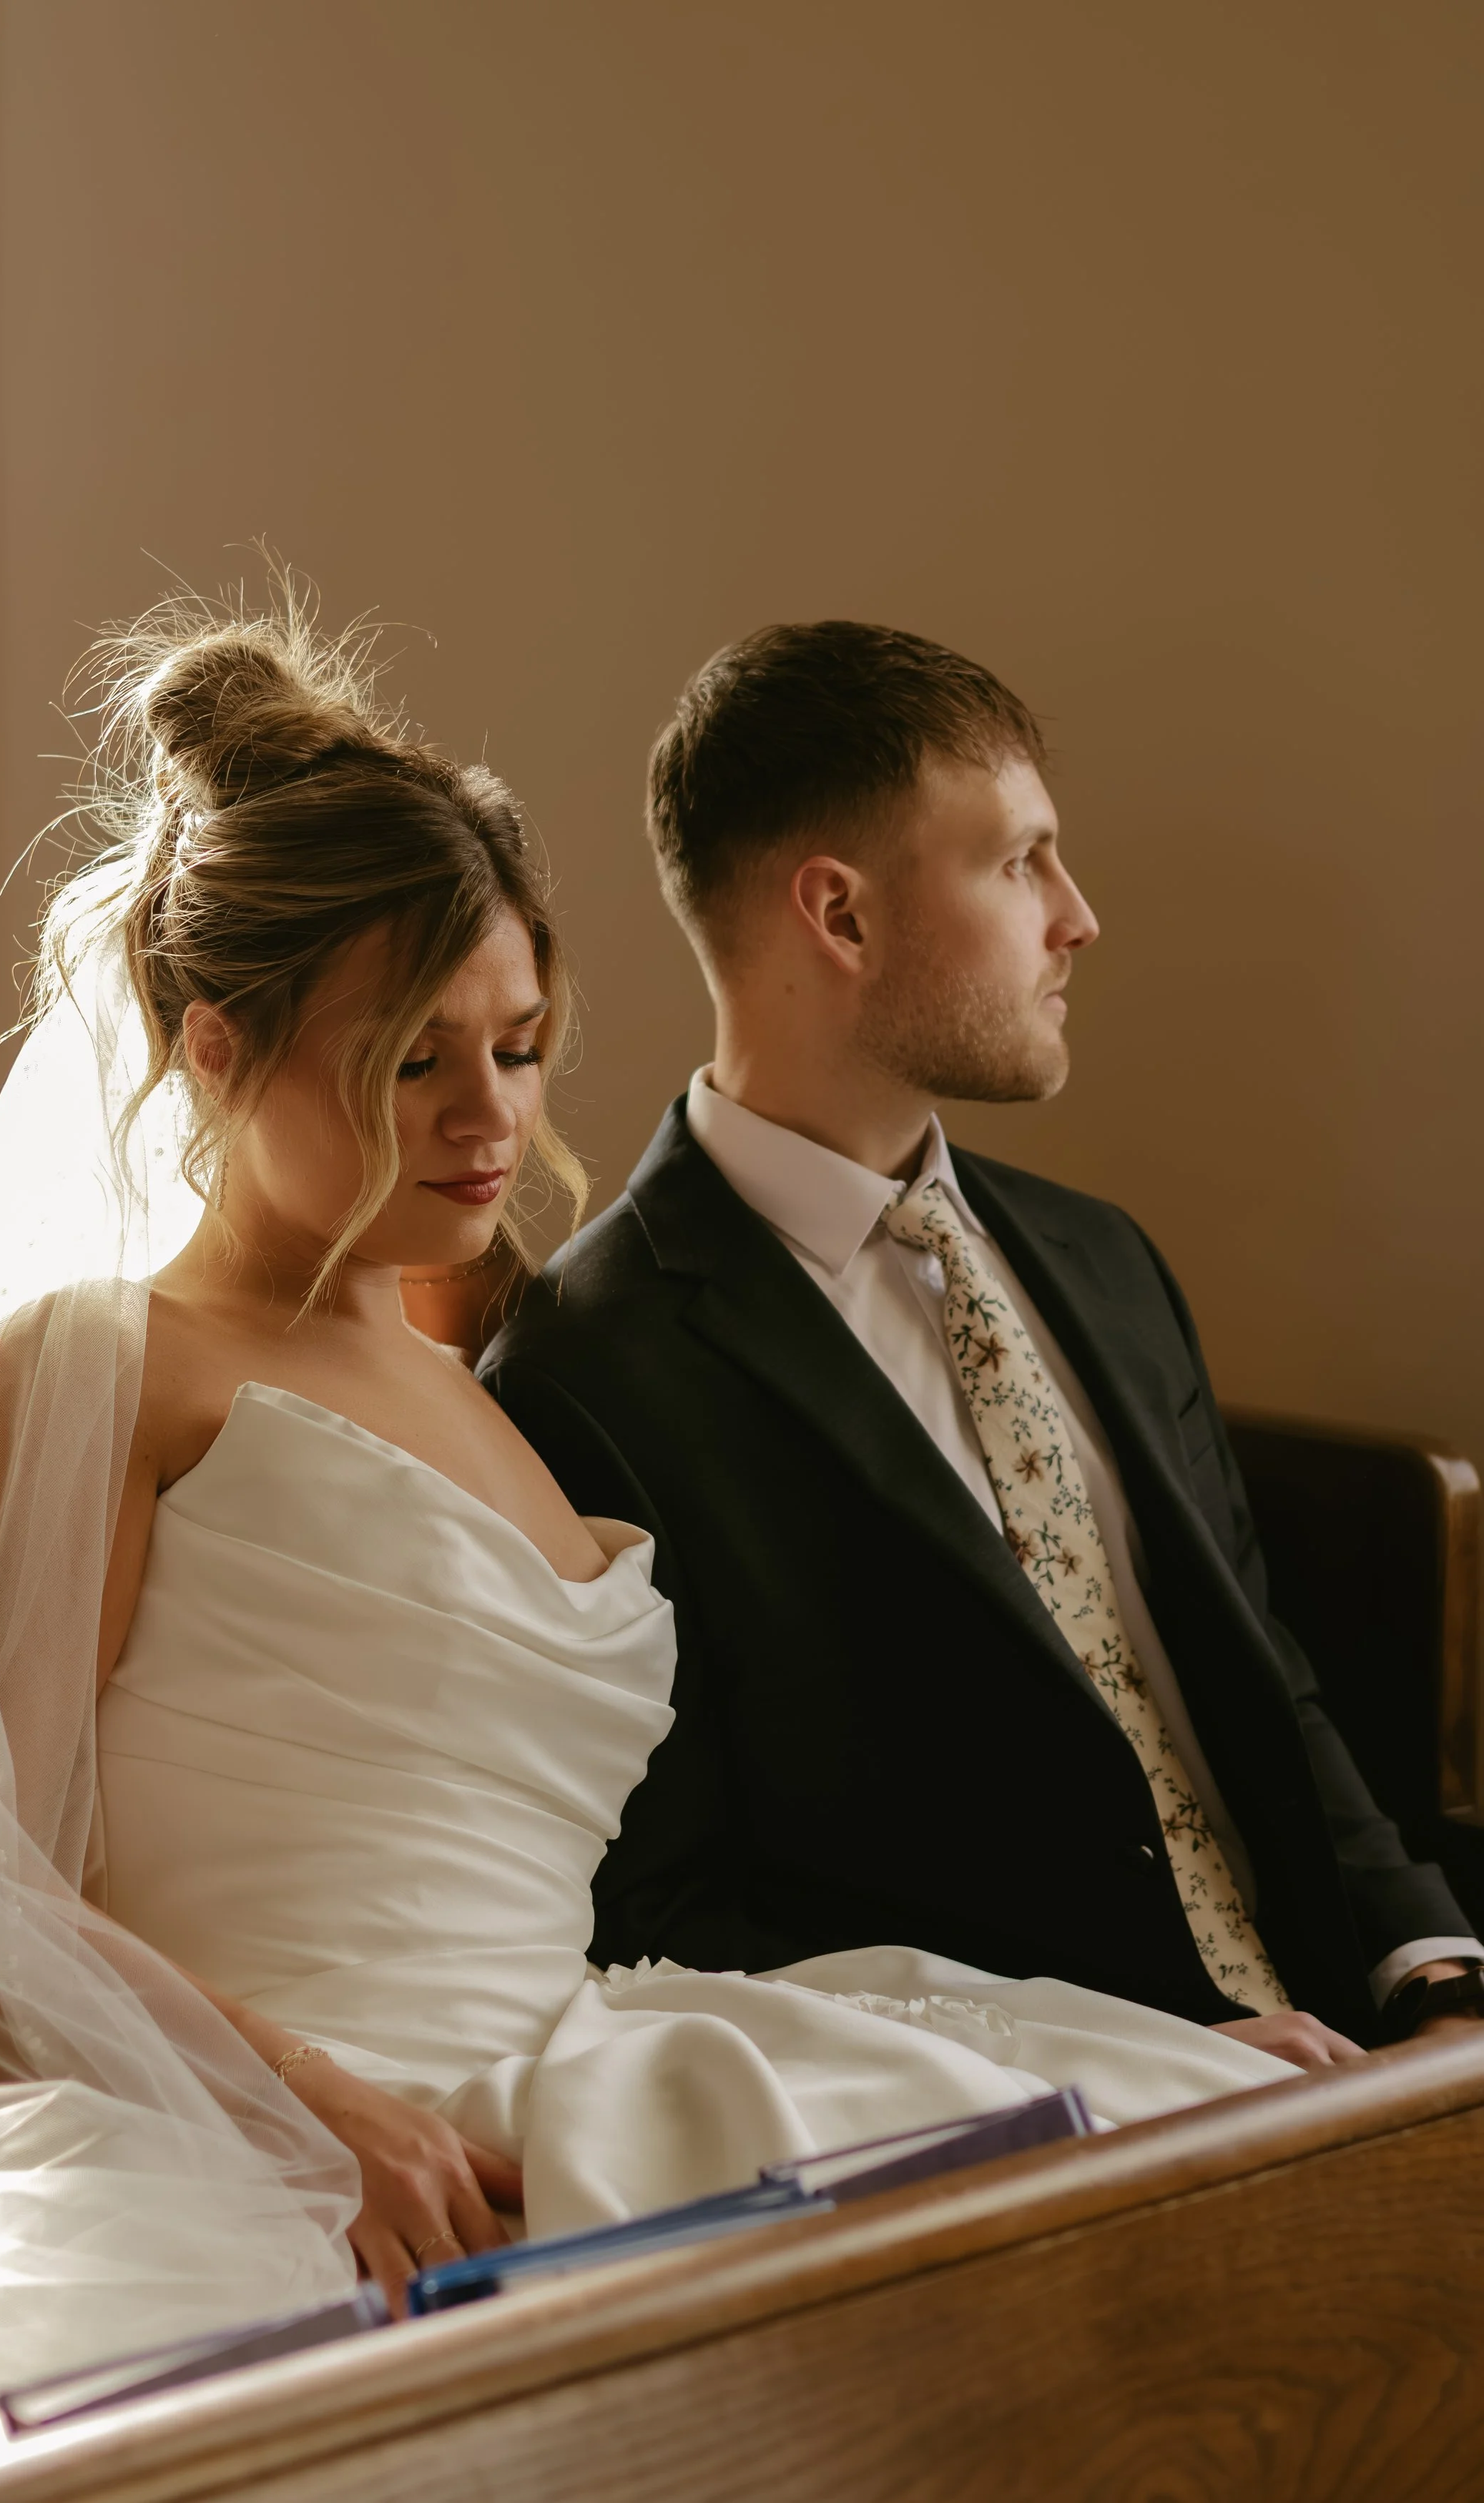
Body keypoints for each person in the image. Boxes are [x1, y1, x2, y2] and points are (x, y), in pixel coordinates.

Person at [0, 602, 1292, 2499]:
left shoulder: (484, 1370)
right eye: (407, 1062)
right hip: (242, 2124)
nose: (486, 1118)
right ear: (215, 1047)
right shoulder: (97, 1366)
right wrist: (299, 2102)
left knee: (1227, 2153)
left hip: (568, 2059)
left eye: (519, 1049)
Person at [481, 620, 1484, 2067]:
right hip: (1045, 2140)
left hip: (1368, 2050)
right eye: (1017, 861)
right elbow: (671, 1922)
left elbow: (1267, 1689)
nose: (1075, 916)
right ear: (838, 916)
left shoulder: (1102, 1258)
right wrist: (1146, 2067)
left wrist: (1430, 1977)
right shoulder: (587, 1372)